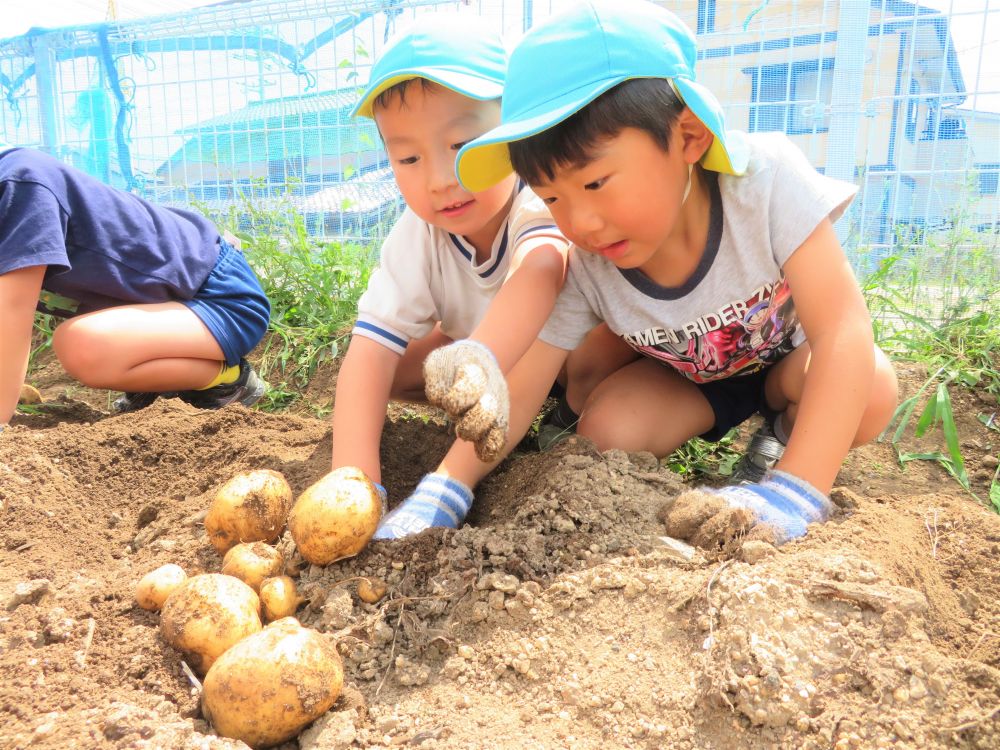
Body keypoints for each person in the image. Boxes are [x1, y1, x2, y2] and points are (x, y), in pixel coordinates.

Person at [441, 0, 899, 545]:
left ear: (688, 136)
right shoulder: (586, 258)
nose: (580, 222)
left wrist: (799, 489)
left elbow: (843, 328)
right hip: (687, 381)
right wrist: (445, 488)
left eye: (595, 183)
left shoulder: (765, 183)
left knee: (868, 387)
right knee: (607, 432)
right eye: (551, 196)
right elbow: (523, 381)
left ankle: (780, 446)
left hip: (790, 366)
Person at [329, 16, 568, 538]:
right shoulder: (417, 234)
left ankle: (458, 478)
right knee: (377, 368)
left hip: (569, 356)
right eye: (408, 157)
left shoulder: (541, 199)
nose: (440, 180)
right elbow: (370, 351)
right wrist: (353, 483)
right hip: (477, 355)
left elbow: (543, 272)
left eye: (462, 144)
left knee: (557, 343)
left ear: (515, 130)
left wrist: (480, 358)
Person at [0, 144, 270, 430]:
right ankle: (159, 386)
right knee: (82, 342)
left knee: (81, 344)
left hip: (222, 299)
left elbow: (12, 310)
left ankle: (226, 380)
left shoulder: (21, 184)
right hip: (161, 308)